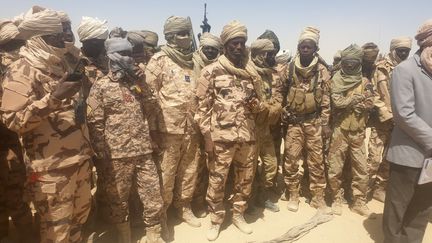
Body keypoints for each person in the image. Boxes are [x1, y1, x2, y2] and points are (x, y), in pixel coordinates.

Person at [1, 9, 93, 242]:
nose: (63, 40)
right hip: (50, 170)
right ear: (39, 38)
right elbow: (13, 121)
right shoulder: (21, 70)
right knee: (56, 233)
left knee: (77, 223)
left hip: (79, 161)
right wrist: (53, 98)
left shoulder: (59, 64)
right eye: (55, 36)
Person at [86, 37, 164, 243]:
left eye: (131, 54)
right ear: (112, 56)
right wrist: (101, 154)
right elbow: (95, 122)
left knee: (153, 197)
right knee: (118, 201)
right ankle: (124, 237)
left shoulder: (137, 83)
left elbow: (153, 110)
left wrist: (142, 84)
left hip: (143, 151)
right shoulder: (101, 86)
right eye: (124, 54)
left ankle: (154, 236)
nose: (130, 58)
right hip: (116, 155)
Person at [195, 20, 263, 241]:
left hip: (247, 137)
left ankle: (238, 215)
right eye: (234, 43)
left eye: (242, 43)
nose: (238, 47)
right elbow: (201, 109)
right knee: (217, 180)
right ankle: (216, 220)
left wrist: (256, 104)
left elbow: (261, 106)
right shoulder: (210, 72)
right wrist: (207, 137)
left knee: (245, 180)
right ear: (225, 45)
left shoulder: (251, 72)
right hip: (221, 139)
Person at [145, 16, 201, 236]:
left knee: (190, 170)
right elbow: (149, 100)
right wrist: (152, 131)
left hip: (192, 127)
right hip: (168, 130)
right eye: (181, 33)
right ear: (169, 36)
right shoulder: (159, 61)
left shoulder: (194, 61)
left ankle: (184, 207)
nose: (186, 37)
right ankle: (163, 216)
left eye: (187, 32)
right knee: (166, 175)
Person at [383, 19, 432, 243]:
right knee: (398, 207)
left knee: (422, 207)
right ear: (426, 44)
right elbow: (404, 114)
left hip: (430, 158)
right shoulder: (405, 70)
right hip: (408, 154)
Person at [281, 26, 330, 212]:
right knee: (291, 158)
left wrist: (325, 124)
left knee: (316, 161)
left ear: (315, 49)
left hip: (314, 122)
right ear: (298, 47)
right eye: (303, 46)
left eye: (309, 46)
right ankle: (293, 193)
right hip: (294, 122)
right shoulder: (290, 68)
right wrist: (284, 113)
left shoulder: (322, 71)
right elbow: (281, 92)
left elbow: (326, 100)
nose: (306, 49)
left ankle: (318, 197)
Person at [327, 44, 376, 217]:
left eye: (353, 62)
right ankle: (336, 199)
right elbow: (337, 102)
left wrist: (353, 100)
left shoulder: (365, 82)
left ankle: (359, 202)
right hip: (340, 130)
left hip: (358, 132)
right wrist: (356, 98)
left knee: (361, 169)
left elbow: (370, 103)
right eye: (347, 62)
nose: (349, 65)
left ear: (358, 62)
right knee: (335, 168)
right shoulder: (336, 80)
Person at [0, 19, 35, 243]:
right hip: (8, 146)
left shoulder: (21, 69)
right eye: (13, 44)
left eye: (20, 43)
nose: (18, 49)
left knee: (16, 196)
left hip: (12, 144)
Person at [369, 37, 412, 202]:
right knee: (373, 158)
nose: (403, 53)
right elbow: (373, 94)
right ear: (393, 50)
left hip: (400, 124)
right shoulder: (380, 68)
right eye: (400, 50)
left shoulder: (410, 69)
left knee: (389, 158)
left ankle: (379, 189)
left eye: (406, 51)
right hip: (381, 122)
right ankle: (363, 190)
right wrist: (387, 114)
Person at [191, 31, 223, 218]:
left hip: (216, 125)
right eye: (208, 48)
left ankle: (209, 200)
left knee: (213, 165)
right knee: (197, 167)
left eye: (214, 49)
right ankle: (195, 201)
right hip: (196, 123)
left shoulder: (220, 66)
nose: (211, 52)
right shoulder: (192, 64)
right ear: (202, 47)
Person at [249, 38, 282, 212]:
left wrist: (274, 107)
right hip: (250, 130)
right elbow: (249, 102)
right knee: (249, 169)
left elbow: (277, 96)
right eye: (268, 54)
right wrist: (267, 108)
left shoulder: (270, 74)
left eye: (273, 54)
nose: (272, 57)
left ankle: (262, 197)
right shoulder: (247, 72)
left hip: (265, 129)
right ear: (258, 55)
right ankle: (248, 201)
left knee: (271, 165)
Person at [77, 16, 109, 85]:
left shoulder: (107, 61)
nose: (102, 47)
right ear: (83, 41)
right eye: (96, 44)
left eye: (103, 43)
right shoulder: (75, 62)